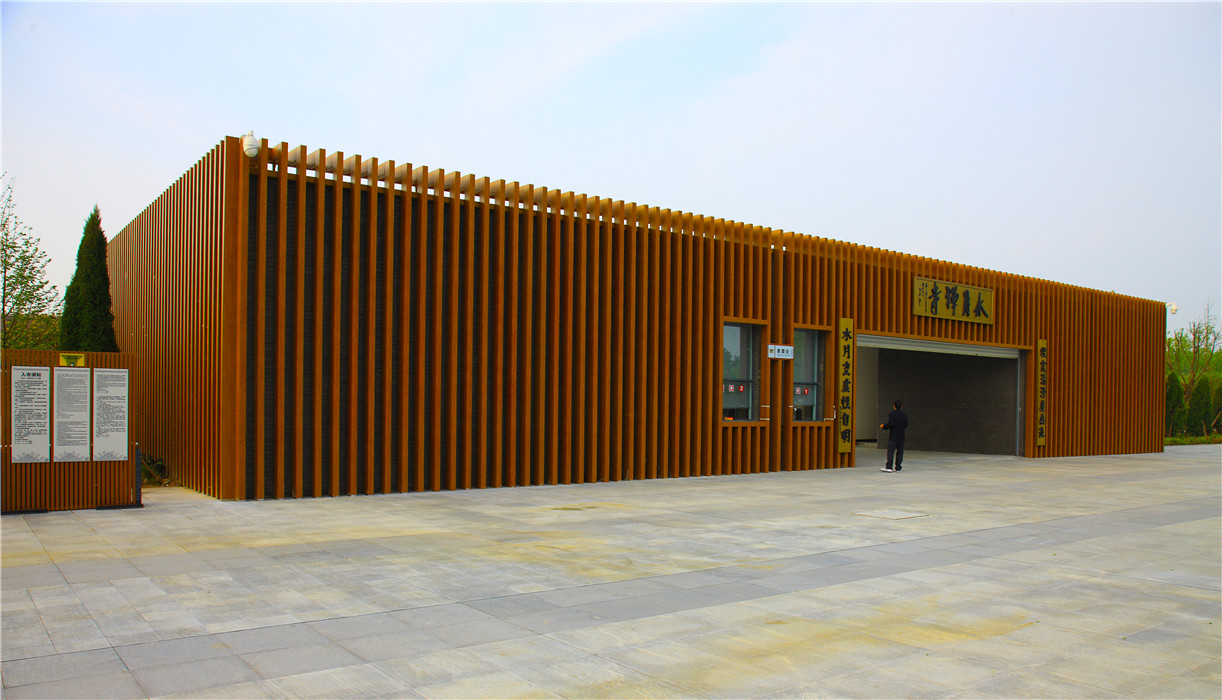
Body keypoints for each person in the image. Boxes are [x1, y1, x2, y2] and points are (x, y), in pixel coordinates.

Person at [879, 400, 908, 473]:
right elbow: (906, 425)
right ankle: (898, 468)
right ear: (901, 406)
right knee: (900, 451)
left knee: (891, 451)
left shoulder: (892, 414)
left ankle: (889, 467)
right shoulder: (904, 415)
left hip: (893, 435)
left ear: (894, 406)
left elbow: (890, 424)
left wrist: (883, 426)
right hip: (901, 435)